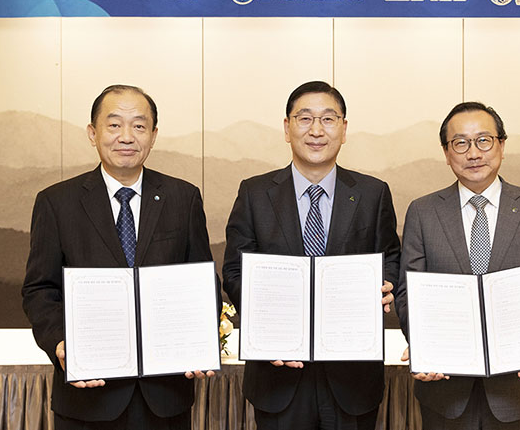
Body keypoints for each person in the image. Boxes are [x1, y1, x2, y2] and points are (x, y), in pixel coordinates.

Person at [22, 85, 217, 430]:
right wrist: (61, 343)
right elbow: (40, 289)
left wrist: (199, 339)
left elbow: (203, 281)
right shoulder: (57, 203)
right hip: (87, 396)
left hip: (165, 396)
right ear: (92, 133)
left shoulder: (182, 198)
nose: (126, 136)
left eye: (139, 126)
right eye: (114, 125)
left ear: (153, 135)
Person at [222, 81, 401, 430]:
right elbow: (235, 271)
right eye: (304, 119)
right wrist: (268, 327)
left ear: (344, 129)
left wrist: (388, 282)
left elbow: (390, 256)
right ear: (286, 128)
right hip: (278, 376)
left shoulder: (372, 193)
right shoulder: (255, 193)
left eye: (328, 119)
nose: (316, 130)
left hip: (352, 379)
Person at [394, 101, 520, 430]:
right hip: (444, 391)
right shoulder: (423, 212)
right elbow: (408, 292)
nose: (473, 153)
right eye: (460, 143)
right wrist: (422, 344)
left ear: (501, 145)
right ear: (447, 153)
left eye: (483, 140)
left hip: (518, 389)